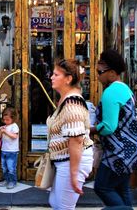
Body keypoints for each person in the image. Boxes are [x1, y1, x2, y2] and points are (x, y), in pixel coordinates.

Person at [93, 49, 137, 208]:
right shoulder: (124, 88)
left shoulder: (111, 92)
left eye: (100, 71)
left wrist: (91, 129)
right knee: (122, 188)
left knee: (102, 187)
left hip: (120, 151)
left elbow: (109, 127)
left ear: (112, 73)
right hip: (133, 148)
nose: (98, 75)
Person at [47, 59, 94, 210]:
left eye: (56, 74)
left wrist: (74, 174)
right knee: (55, 202)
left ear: (68, 79)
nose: (51, 77)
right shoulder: (66, 100)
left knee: (63, 207)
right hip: (65, 162)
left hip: (71, 162)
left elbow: (76, 139)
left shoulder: (72, 103)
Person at [0, 107, 20, 189]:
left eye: (7, 120)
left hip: (12, 151)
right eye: (4, 120)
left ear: (13, 119)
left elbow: (14, 136)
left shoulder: (14, 126)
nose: (5, 121)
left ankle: (13, 182)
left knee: (11, 168)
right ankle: (6, 180)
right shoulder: (5, 127)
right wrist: (1, 131)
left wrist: (5, 131)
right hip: (4, 150)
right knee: (4, 167)